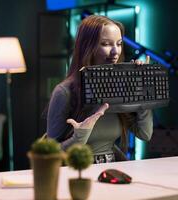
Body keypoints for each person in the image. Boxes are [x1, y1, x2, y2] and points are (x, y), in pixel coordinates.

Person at [46, 15, 153, 163]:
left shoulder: (120, 86)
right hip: (77, 173)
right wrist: (80, 135)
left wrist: (143, 94)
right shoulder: (64, 92)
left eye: (119, 43)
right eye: (106, 44)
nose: (116, 52)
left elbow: (145, 134)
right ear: (87, 47)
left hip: (110, 172)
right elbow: (50, 155)